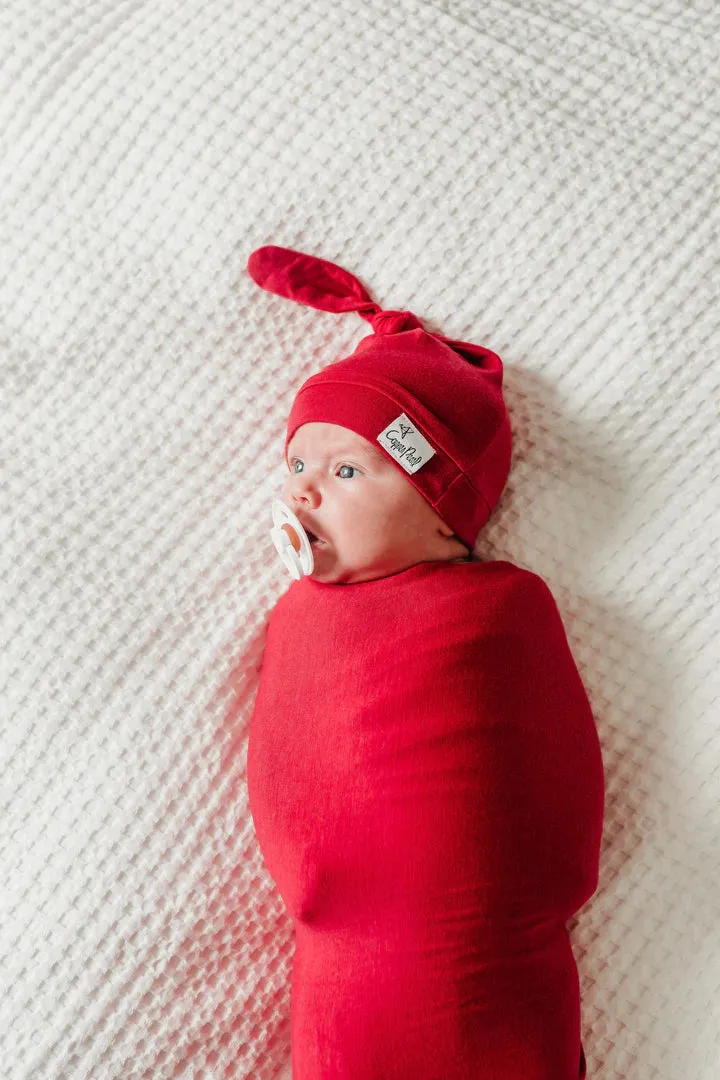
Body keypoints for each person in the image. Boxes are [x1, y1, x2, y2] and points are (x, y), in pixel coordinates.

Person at [245, 245, 605, 1079]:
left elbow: (557, 785)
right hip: (341, 986)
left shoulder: (497, 610)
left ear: (442, 509)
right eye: (297, 465)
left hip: (484, 970)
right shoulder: (298, 620)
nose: (301, 492)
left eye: (343, 471)